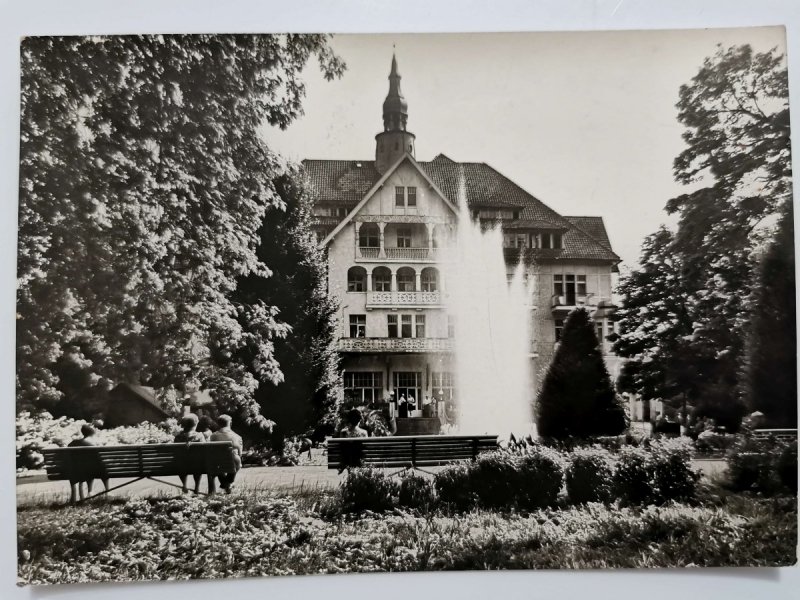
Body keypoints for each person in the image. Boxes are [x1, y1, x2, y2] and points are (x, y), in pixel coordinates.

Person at [67, 424, 109, 503]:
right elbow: (98, 460)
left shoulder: (73, 443)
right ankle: (107, 490)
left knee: (89, 466)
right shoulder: (91, 444)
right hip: (90, 471)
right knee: (99, 467)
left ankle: (90, 491)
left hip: (75, 471)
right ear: (92, 433)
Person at [210, 414, 243, 493]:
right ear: (230, 423)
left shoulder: (213, 436)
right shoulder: (237, 437)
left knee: (218, 467)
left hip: (217, 462)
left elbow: (211, 450)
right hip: (232, 460)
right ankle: (229, 482)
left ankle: (225, 483)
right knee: (237, 463)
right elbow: (240, 453)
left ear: (218, 424)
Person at [174, 414, 205, 493]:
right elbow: (204, 450)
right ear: (196, 424)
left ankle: (184, 485)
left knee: (181, 462)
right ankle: (197, 487)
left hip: (182, 465)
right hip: (196, 464)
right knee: (198, 463)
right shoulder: (200, 436)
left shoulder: (178, 437)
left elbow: (175, 453)